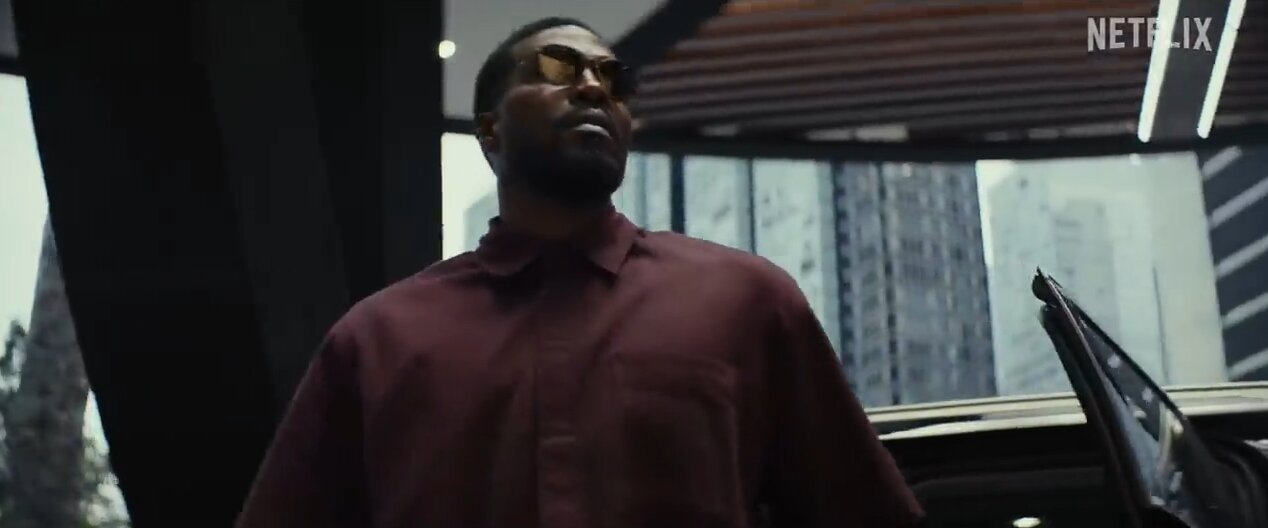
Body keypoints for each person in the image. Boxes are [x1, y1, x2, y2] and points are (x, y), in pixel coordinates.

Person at [235, 17, 924, 528]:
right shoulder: (376, 339)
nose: (594, 87)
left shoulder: (749, 299)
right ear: (489, 132)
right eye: (557, 69)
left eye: (614, 82)